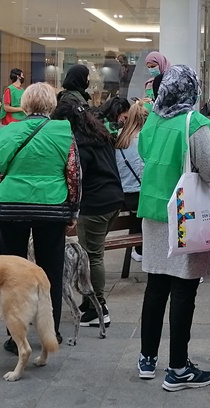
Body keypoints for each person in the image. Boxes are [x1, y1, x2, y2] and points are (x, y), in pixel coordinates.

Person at [0, 82, 80, 352]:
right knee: (51, 271)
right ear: (51, 105)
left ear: (24, 104)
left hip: (11, 206)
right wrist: (72, 209)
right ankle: (52, 331)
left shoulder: (8, 132)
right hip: (51, 206)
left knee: (11, 274)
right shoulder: (64, 132)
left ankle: (16, 336)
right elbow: (73, 174)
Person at [136, 65, 210, 391]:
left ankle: (147, 359)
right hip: (185, 213)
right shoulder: (194, 123)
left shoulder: (153, 120)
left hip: (153, 211)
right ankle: (178, 367)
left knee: (155, 287)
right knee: (184, 290)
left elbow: (144, 153)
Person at [55, 65, 125, 327]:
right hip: (113, 199)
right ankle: (90, 303)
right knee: (93, 253)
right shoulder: (99, 133)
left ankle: (98, 308)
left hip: (95, 204)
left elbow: (77, 177)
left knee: (92, 256)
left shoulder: (78, 143)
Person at [115, 102, 147, 262]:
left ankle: (139, 251)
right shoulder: (147, 139)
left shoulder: (119, 137)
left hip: (123, 195)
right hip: (142, 196)